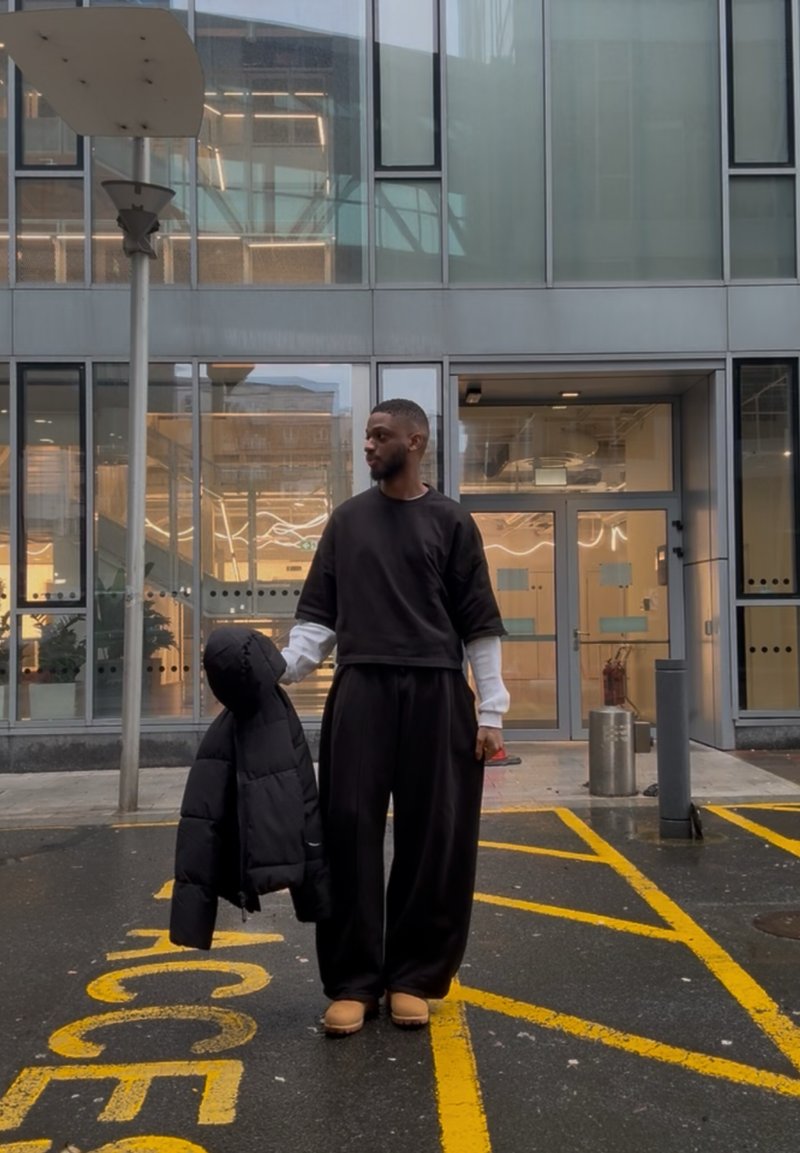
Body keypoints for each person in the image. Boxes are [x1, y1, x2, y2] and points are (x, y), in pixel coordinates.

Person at [280, 398, 509, 1037]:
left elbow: (479, 625)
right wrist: (277, 671)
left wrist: (491, 710)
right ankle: (354, 982)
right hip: (362, 688)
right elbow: (316, 622)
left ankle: (412, 977)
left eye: (381, 436)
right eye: (367, 436)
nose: (369, 446)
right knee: (347, 830)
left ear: (417, 441)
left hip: (439, 693)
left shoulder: (452, 522)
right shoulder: (347, 522)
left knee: (432, 837)